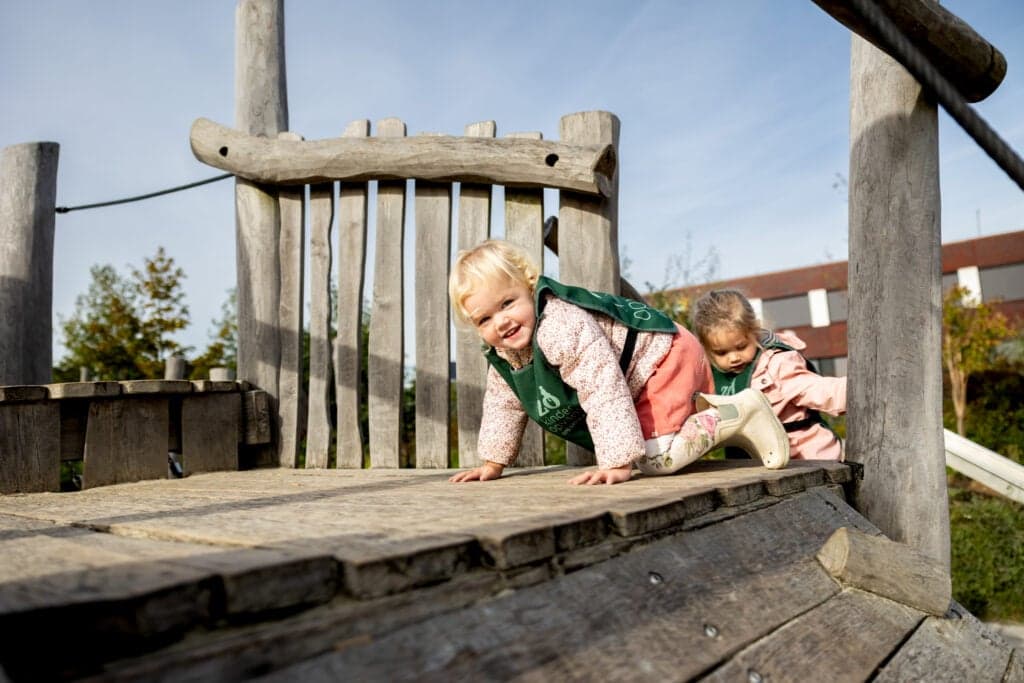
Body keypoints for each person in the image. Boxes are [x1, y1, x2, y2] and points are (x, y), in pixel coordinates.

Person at [447, 239, 789, 485]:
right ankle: (733, 428)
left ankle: (736, 413)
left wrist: (615, 463)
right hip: (642, 374)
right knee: (643, 450)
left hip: (664, 356)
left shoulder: (559, 325)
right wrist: (493, 463)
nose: (501, 322)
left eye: (507, 303)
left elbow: (601, 386)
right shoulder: (506, 355)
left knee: (655, 460)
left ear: (530, 288)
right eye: (484, 319)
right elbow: (503, 405)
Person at [691, 289, 846, 461]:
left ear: (754, 331)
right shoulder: (709, 376)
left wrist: (856, 390)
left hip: (805, 455)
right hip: (752, 462)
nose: (734, 358)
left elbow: (815, 389)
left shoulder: (777, 364)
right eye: (721, 353)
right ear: (706, 349)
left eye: (741, 347)